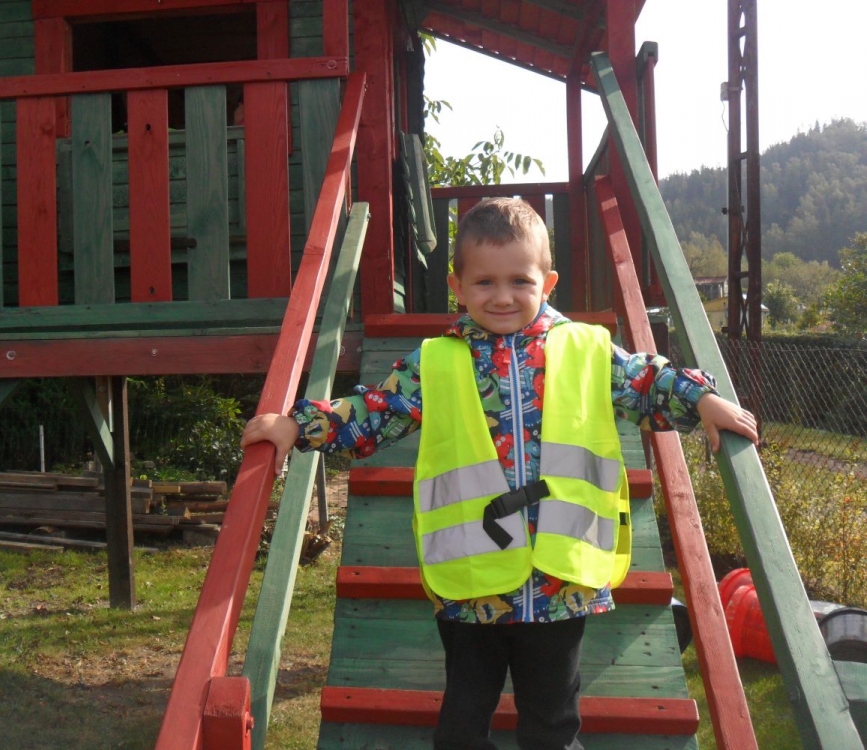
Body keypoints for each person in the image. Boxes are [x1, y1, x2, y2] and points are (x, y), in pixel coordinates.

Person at [241, 198, 758, 750]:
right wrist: (300, 425)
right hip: (471, 581)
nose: (503, 296)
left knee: (552, 725)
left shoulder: (588, 351)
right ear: (457, 287)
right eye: (484, 282)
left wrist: (702, 400)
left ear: (547, 283)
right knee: (462, 726)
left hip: (561, 580)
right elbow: (376, 411)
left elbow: (646, 381)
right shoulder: (435, 362)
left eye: (520, 281)